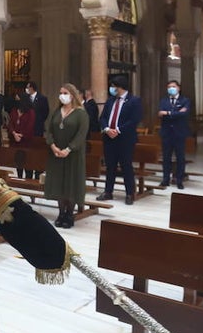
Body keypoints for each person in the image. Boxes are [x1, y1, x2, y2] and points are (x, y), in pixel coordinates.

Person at [44, 84, 89, 228]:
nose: (62, 95)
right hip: (56, 153)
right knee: (59, 183)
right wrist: (53, 146)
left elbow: (81, 135)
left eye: (65, 93)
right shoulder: (57, 111)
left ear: (72, 95)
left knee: (71, 183)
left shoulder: (81, 113)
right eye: (60, 92)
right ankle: (61, 212)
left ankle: (69, 214)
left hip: (73, 155)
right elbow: (48, 130)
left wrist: (69, 149)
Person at [97, 75, 142, 205]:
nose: (111, 88)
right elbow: (103, 117)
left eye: (113, 86)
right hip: (109, 137)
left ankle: (129, 193)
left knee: (126, 166)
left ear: (120, 87)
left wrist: (117, 130)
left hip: (125, 139)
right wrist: (106, 128)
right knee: (110, 166)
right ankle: (108, 191)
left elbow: (134, 120)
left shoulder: (134, 100)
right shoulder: (111, 100)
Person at [157, 78, 191, 189]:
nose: (171, 89)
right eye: (169, 87)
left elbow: (183, 114)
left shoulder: (185, 100)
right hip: (167, 133)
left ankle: (179, 179)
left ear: (179, 88)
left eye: (174, 86)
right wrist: (175, 113)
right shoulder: (164, 101)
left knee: (180, 158)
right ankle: (165, 179)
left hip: (179, 133)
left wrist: (168, 113)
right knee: (166, 158)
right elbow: (160, 113)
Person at [6, 96, 36, 178]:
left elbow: (30, 125)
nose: (16, 101)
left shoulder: (30, 112)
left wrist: (21, 135)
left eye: (18, 99)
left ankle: (28, 178)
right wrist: (14, 133)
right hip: (15, 141)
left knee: (27, 161)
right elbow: (10, 123)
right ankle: (19, 177)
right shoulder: (14, 110)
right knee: (18, 161)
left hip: (26, 141)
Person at [24, 81, 49, 178]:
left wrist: (39, 121)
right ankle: (28, 172)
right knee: (29, 152)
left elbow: (46, 112)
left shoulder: (42, 98)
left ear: (32, 88)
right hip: (27, 130)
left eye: (28, 87)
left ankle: (38, 172)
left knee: (37, 151)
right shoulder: (26, 98)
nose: (27, 89)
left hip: (38, 128)